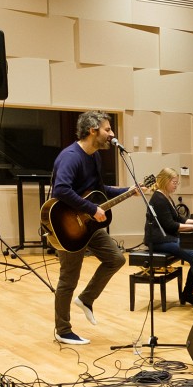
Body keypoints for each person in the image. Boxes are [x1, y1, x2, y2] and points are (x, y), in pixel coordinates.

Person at [50, 110, 139, 345]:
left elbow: (100, 190)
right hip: (67, 225)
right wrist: (91, 209)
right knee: (69, 278)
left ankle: (86, 299)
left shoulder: (94, 157)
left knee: (116, 259)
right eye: (107, 130)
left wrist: (128, 191)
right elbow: (61, 190)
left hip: (88, 225)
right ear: (92, 130)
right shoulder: (71, 156)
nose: (112, 134)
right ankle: (62, 329)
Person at [144, 167, 193, 307]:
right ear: (165, 181)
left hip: (168, 237)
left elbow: (179, 218)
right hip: (159, 240)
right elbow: (171, 225)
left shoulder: (166, 196)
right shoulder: (159, 198)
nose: (176, 185)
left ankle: (188, 293)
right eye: (174, 182)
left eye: (177, 182)